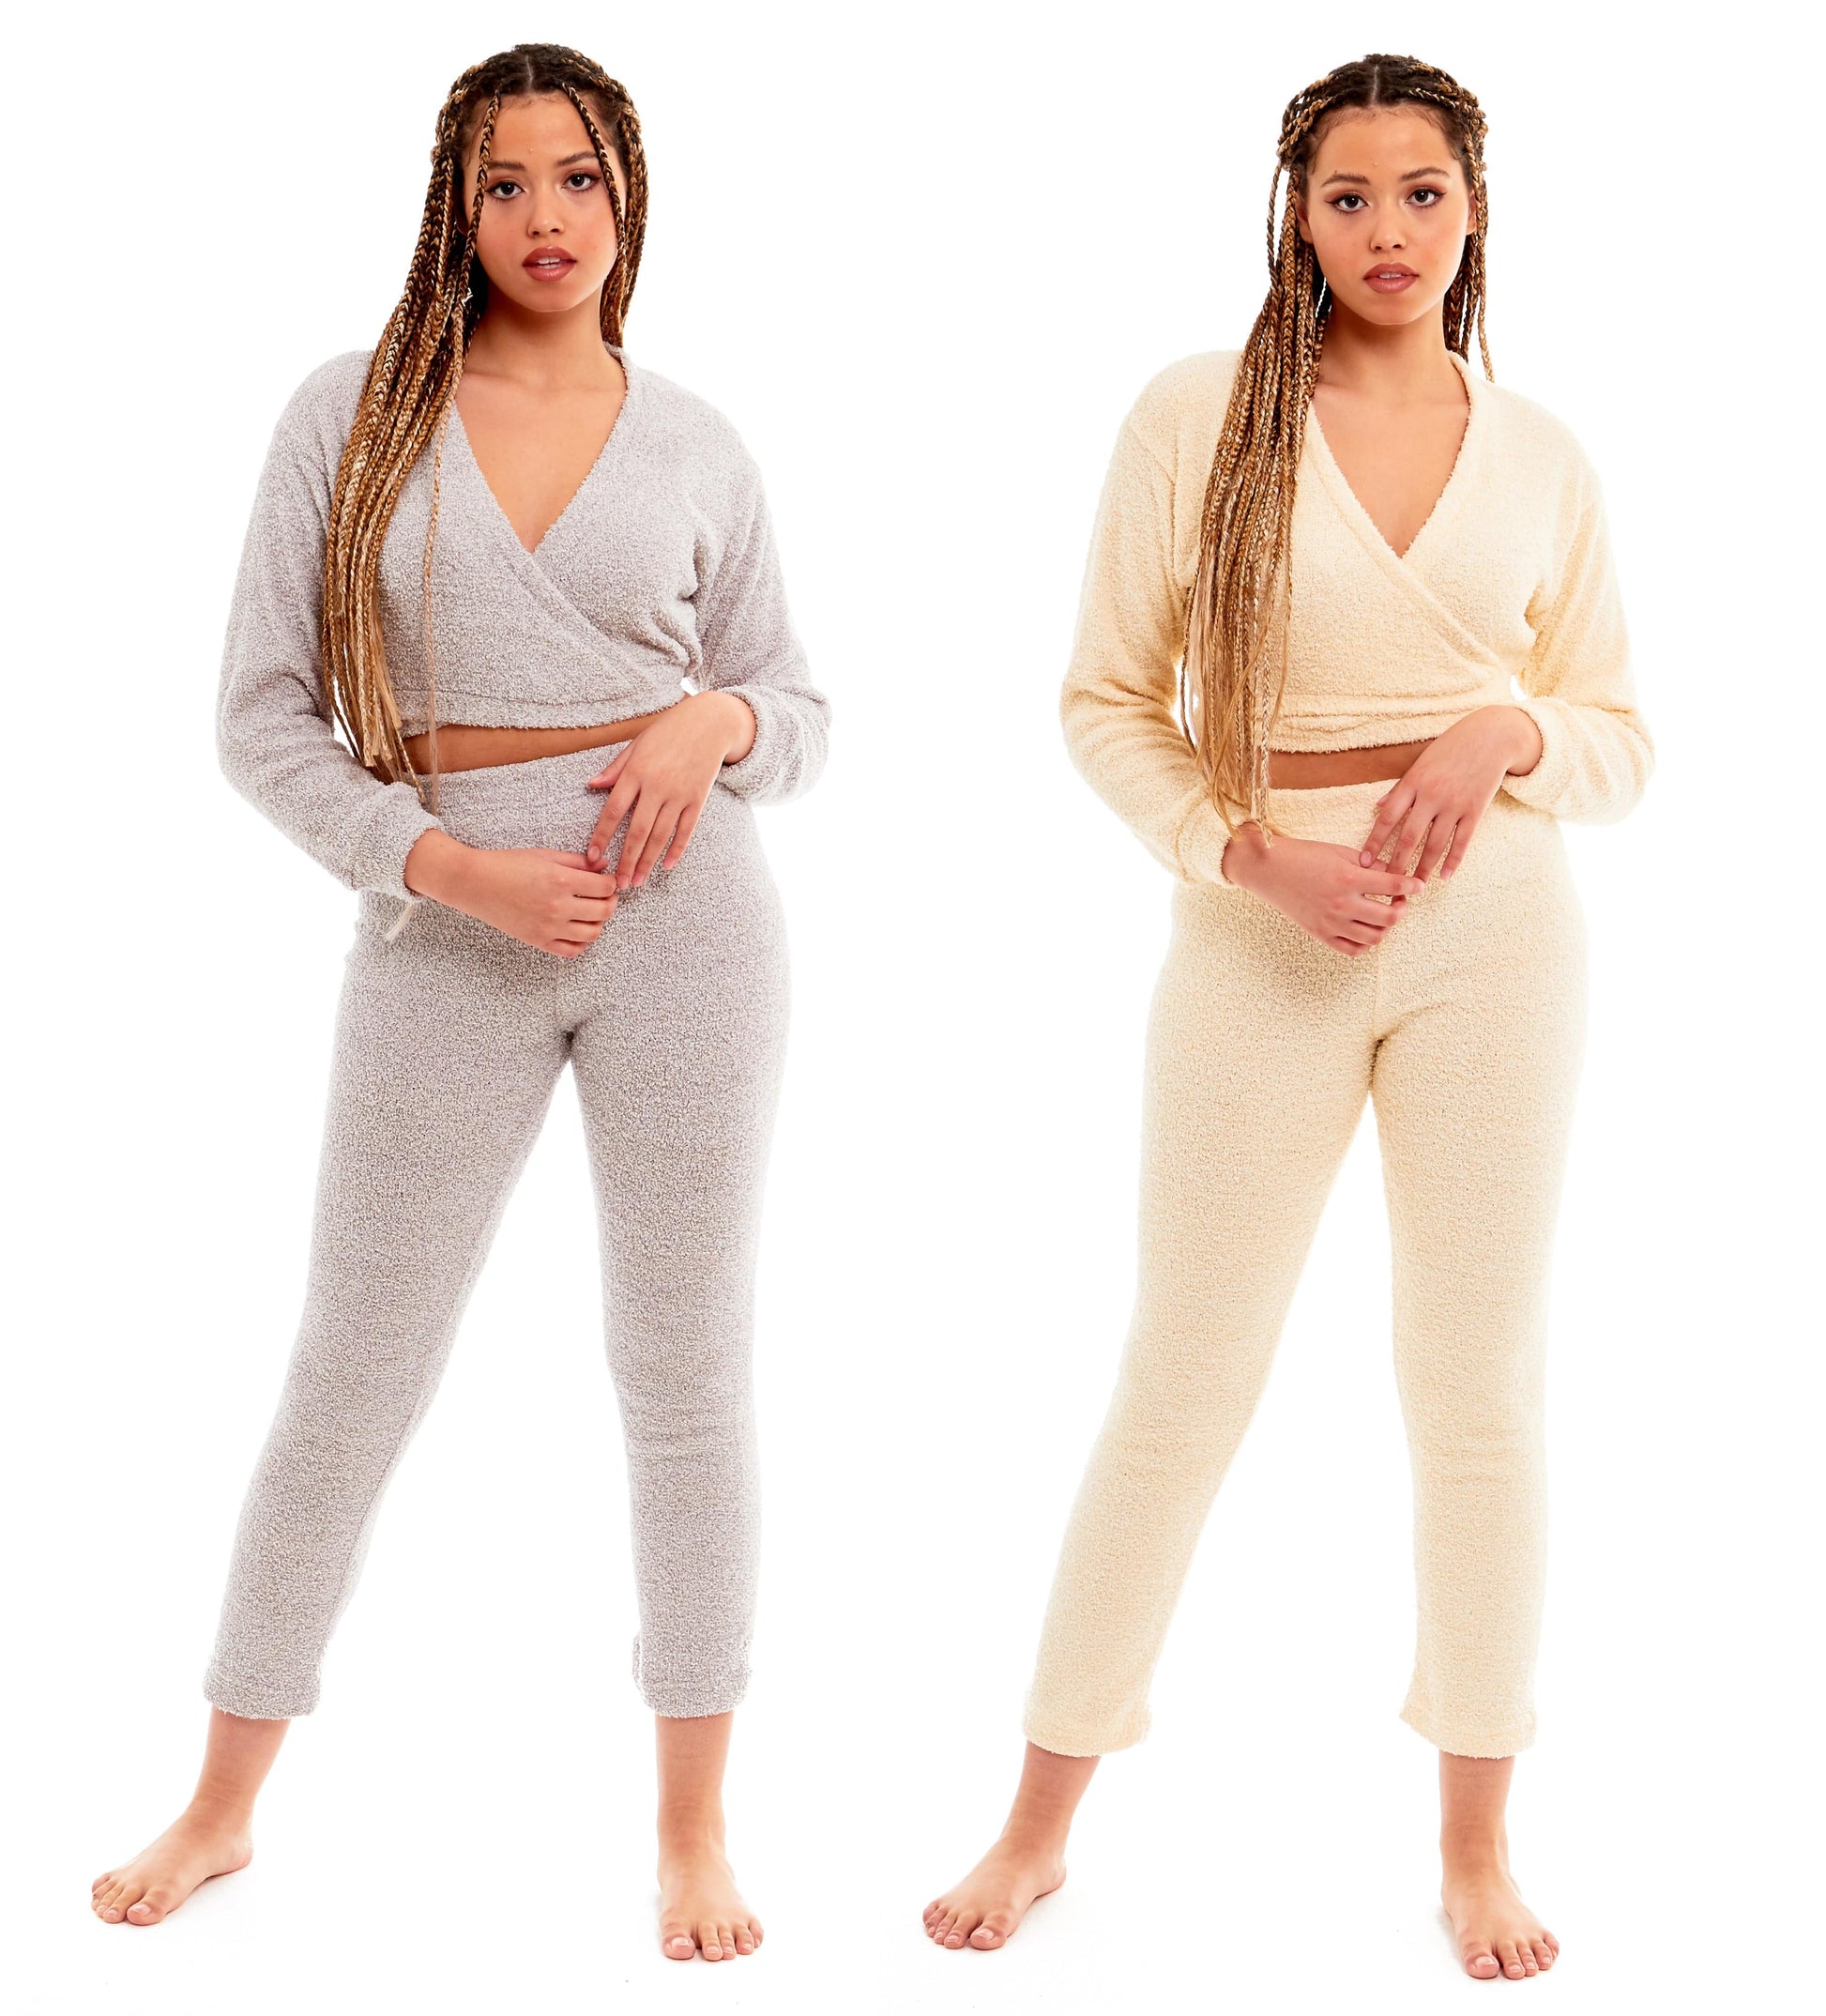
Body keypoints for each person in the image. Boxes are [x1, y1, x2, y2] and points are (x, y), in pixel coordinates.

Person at [89, 43, 829, 1963]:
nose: (544, 217)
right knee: (355, 1364)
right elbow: (260, 721)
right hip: (445, 934)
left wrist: (711, 719)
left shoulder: (698, 440)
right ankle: (222, 1803)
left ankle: (693, 1832)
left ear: (628, 196)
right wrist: (444, 864)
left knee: (683, 1371)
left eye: (578, 177)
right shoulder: (350, 413)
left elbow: (798, 709)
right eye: (504, 182)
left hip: (689, 929)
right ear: (455, 205)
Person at [926, 53, 1650, 1982]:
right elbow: (1104, 701)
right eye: (1347, 196)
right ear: (1293, 214)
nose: (1386, 231)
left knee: (1476, 1389)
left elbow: (1618, 738)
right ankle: (1036, 1822)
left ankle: (1477, 1848)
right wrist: (1250, 858)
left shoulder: (1541, 452)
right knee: (1183, 1376)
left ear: (1473, 209)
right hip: (1258, 939)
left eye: (1422, 194)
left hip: (1497, 940)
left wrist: (1505, 730)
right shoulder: (1200, 417)